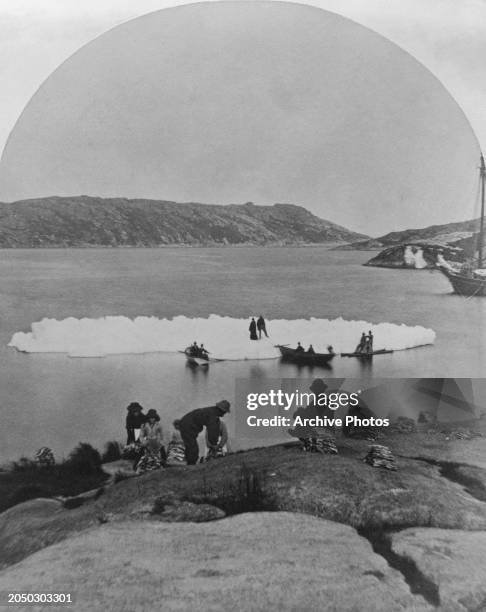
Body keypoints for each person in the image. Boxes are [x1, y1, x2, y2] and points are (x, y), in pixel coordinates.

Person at [178, 400, 231, 465]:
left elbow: (213, 431)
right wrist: (214, 445)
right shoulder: (213, 416)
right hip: (187, 426)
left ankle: (189, 463)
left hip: (186, 424)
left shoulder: (212, 413)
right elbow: (212, 432)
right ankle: (191, 465)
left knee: (191, 446)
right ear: (221, 410)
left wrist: (212, 444)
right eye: (225, 412)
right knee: (192, 447)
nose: (224, 414)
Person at [137, 408, 165, 473]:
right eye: (150, 418)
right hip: (148, 441)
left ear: (155, 418)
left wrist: (160, 442)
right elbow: (141, 436)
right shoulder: (144, 425)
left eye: (153, 418)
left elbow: (162, 435)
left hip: (156, 442)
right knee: (141, 452)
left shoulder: (159, 425)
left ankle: (164, 464)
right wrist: (143, 442)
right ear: (148, 418)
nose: (152, 419)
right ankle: (136, 465)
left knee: (162, 451)